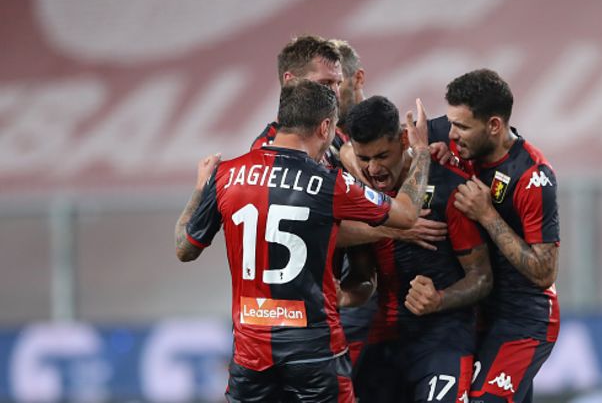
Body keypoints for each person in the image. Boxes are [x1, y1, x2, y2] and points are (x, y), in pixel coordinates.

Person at [174, 80, 433, 403]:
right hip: (314, 350)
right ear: (325, 127)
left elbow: (184, 248)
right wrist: (422, 153)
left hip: (250, 353)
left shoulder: (226, 175)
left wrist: (201, 188)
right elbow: (407, 214)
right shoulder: (330, 182)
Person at [343, 96, 493, 403]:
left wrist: (439, 299)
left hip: (443, 338)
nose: (374, 168)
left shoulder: (449, 187)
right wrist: (343, 294)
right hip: (385, 341)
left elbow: (481, 277)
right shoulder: (360, 195)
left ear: (403, 140)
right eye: (364, 158)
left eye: (382, 155)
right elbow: (363, 276)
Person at [444, 69, 560, 403]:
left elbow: (544, 272)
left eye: (462, 127)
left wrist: (487, 214)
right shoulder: (459, 145)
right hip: (477, 316)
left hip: (521, 321)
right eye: (451, 123)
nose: (452, 134)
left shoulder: (532, 175)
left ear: (494, 125)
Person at [250, 35, 347, 169]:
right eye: (325, 83)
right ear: (290, 81)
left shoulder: (334, 135)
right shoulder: (265, 152)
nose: (336, 94)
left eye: (338, 84)